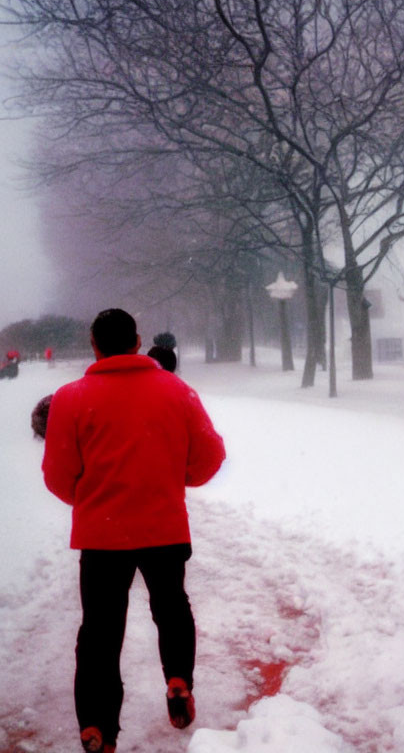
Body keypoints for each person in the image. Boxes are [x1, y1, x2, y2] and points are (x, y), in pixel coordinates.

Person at [42, 308, 226, 753]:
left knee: (100, 632)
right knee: (172, 605)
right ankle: (179, 678)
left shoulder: (71, 397)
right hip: (164, 526)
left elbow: (57, 474)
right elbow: (208, 458)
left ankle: (97, 725)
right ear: (138, 341)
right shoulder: (177, 391)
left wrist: (90, 500)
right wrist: (168, 479)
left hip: (102, 536)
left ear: (94, 344)